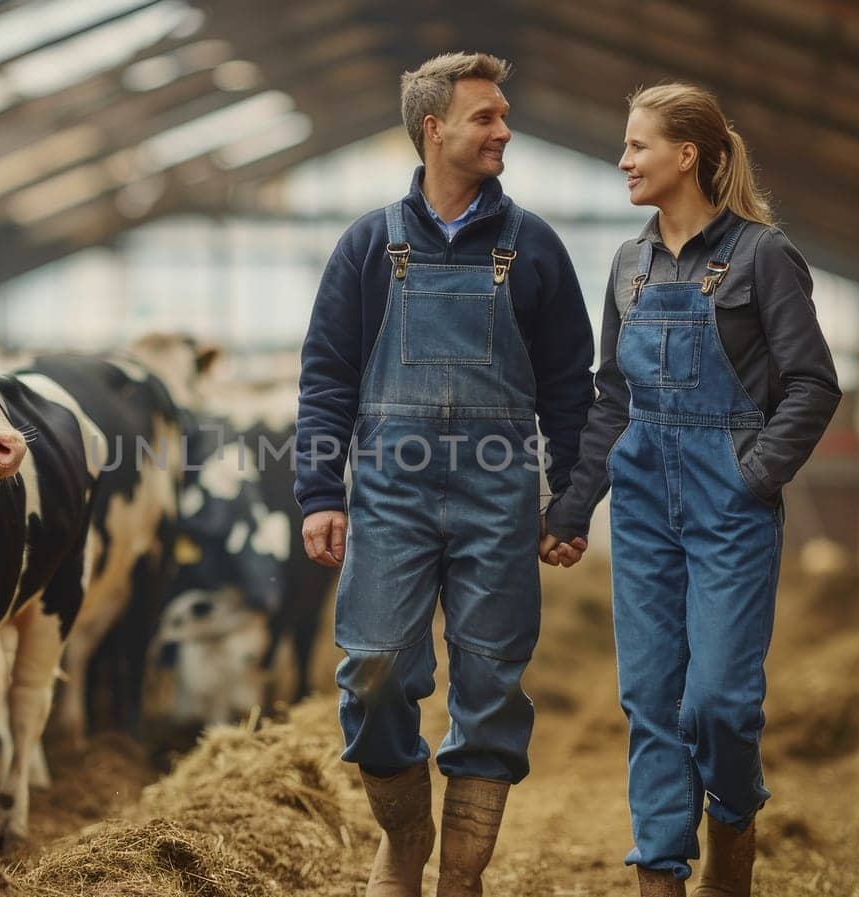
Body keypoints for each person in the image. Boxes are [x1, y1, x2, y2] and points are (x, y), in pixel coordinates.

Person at [295, 52, 594, 896]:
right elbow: (327, 375)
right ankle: (405, 833)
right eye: (486, 117)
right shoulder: (368, 244)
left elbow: (572, 385)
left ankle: (459, 877)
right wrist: (320, 489)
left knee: (492, 684)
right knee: (375, 667)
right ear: (435, 129)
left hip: (500, 495)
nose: (504, 129)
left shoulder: (533, 245)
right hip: (391, 487)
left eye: (504, 115)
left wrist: (569, 500)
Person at [542, 83, 843, 897]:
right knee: (649, 700)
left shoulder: (762, 256)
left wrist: (753, 475)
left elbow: (813, 385)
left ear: (687, 156)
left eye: (637, 145)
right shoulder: (627, 267)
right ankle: (662, 875)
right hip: (642, 509)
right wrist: (573, 507)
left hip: (729, 511)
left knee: (717, 703)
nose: (623, 160)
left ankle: (735, 824)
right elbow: (612, 398)